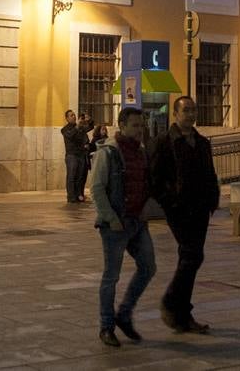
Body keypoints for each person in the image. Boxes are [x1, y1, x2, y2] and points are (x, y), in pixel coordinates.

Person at [149, 96, 219, 335]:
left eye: (193, 110)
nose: (191, 114)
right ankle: (171, 302)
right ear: (175, 114)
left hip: (201, 208)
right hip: (179, 209)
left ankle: (182, 315)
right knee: (192, 255)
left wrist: (213, 198)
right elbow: (155, 178)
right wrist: (169, 202)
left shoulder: (201, 143)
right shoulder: (164, 142)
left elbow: (209, 172)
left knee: (190, 257)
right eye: (186, 110)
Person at [90, 106, 156, 348]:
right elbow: (96, 188)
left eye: (142, 125)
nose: (140, 130)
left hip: (138, 221)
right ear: (122, 125)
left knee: (148, 267)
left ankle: (124, 314)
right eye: (136, 125)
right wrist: (110, 217)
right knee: (111, 276)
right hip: (115, 225)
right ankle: (106, 326)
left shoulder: (140, 152)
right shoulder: (109, 152)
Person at [62, 109, 89, 203]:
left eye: (74, 115)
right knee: (71, 176)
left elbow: (89, 127)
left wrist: (88, 120)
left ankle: (78, 195)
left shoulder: (79, 127)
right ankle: (71, 196)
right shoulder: (65, 129)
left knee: (80, 176)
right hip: (71, 155)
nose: (74, 116)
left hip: (80, 154)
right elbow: (70, 135)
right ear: (67, 118)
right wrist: (77, 126)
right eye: (71, 115)